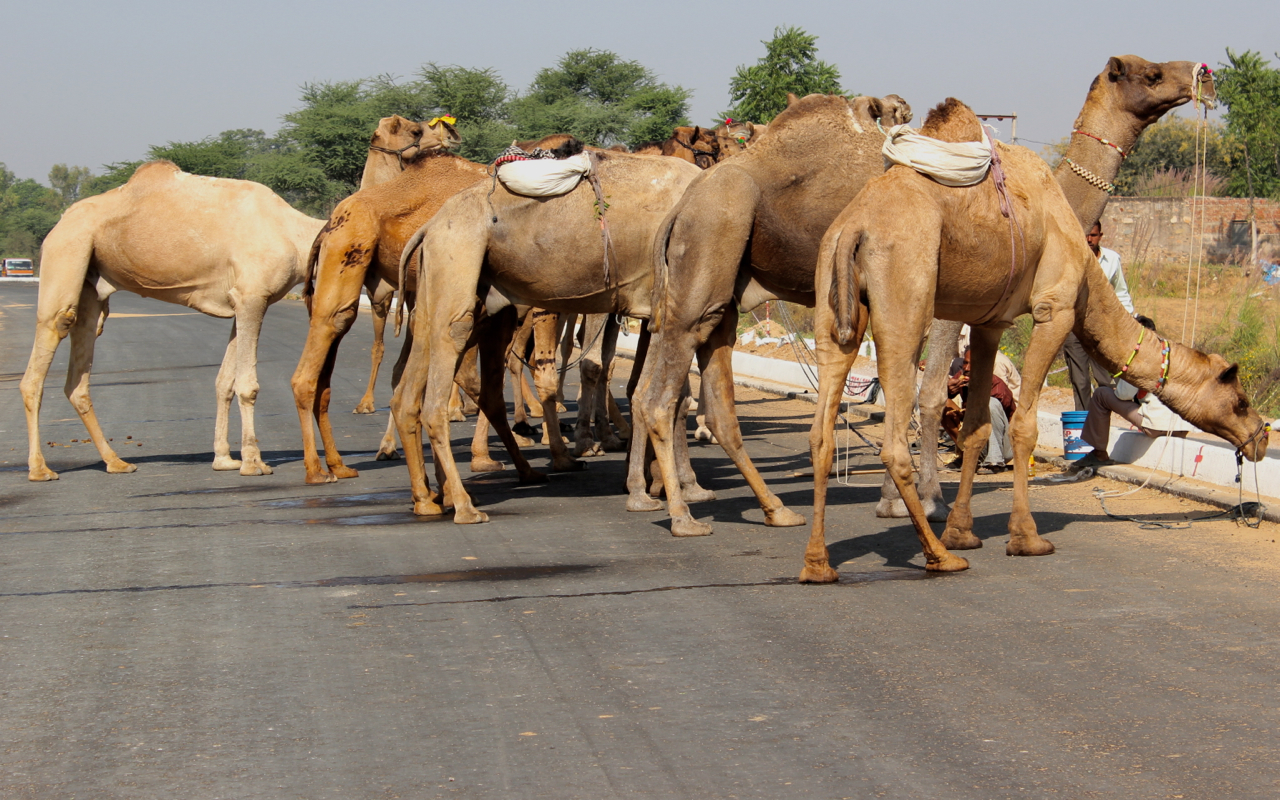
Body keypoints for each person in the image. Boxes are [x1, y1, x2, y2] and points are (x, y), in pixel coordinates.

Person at [1072, 315, 1191, 470]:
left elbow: (1123, 395)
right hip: (1182, 427)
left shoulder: (1139, 354)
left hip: (1157, 426)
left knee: (1102, 394)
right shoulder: (1172, 352)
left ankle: (1099, 453)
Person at [1062, 221, 1134, 410]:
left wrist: (1129, 320)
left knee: (1105, 378)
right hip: (1074, 327)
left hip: (1102, 327)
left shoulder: (1111, 259)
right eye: (1085, 235)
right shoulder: (1069, 258)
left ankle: (1104, 417)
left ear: (1100, 236)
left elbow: (1121, 292)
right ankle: (1084, 422)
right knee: (1080, 381)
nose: (1088, 239)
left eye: (1093, 235)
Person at [942, 347, 1017, 474]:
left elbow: (1006, 419)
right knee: (942, 403)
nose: (966, 368)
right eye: (965, 362)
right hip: (977, 436)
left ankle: (994, 461)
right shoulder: (962, 376)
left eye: (973, 364)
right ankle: (967, 456)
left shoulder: (996, 385)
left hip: (1001, 443)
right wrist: (947, 391)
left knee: (990, 403)